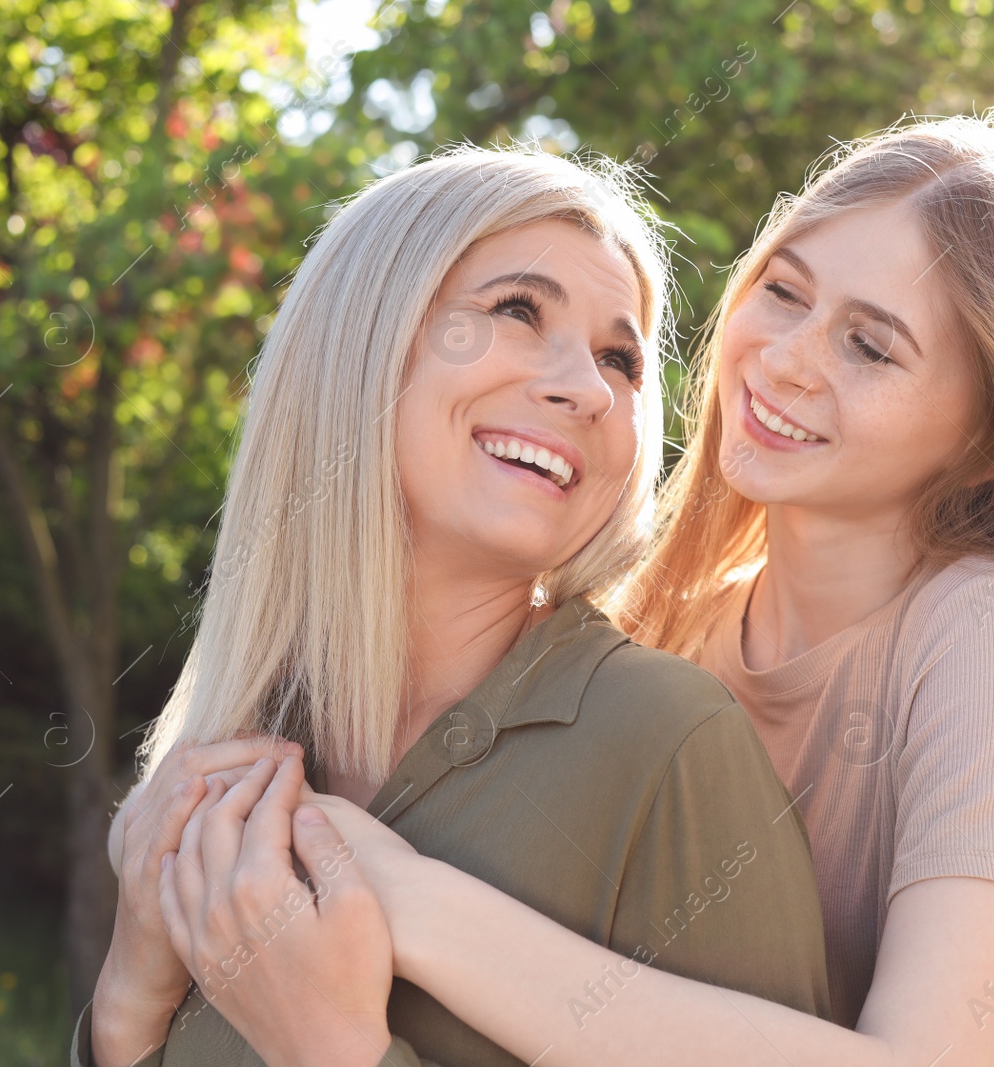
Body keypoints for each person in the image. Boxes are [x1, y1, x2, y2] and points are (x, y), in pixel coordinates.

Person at [281, 108, 994, 1066]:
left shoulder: (978, 624)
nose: (784, 359)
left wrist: (407, 904)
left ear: (988, 441)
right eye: (785, 293)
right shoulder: (668, 628)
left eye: (868, 346)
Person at [73, 145, 833, 1067]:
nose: (588, 389)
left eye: (619, 359)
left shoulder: (667, 741)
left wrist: (339, 1051)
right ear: (360, 342)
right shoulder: (234, 752)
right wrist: (123, 1012)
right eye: (518, 311)